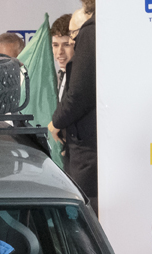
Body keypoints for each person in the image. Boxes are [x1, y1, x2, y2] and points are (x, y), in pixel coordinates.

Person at [50, 0, 97, 211]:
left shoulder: (91, 31)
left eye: (70, 40)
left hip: (88, 156)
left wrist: (55, 123)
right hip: (78, 153)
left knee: (85, 213)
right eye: (55, 44)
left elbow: (78, 96)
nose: (74, 42)